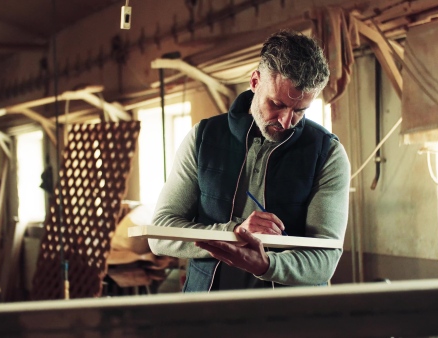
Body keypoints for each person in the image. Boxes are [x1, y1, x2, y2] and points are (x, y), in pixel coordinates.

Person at [148, 30, 350, 292]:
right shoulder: (203, 138)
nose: (286, 121)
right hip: (208, 311)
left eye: (300, 110)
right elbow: (159, 234)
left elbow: (326, 259)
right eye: (276, 104)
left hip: (290, 319)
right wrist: (234, 233)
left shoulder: (328, 153)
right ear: (255, 82)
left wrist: (266, 265)